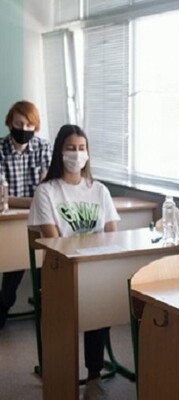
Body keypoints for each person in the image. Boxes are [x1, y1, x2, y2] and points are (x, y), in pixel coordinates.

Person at [28, 124, 119, 400]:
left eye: (82, 148)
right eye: (70, 148)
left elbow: (113, 235)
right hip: (61, 270)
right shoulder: (47, 191)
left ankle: (93, 376)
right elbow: (54, 241)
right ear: (60, 152)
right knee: (85, 302)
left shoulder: (99, 190)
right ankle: (62, 376)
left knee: (101, 301)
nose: (77, 154)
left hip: (95, 268)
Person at [0, 100, 52, 329]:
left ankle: (42, 302)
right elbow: (2, 196)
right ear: (10, 123)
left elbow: (47, 189)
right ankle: (4, 304)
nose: (24, 129)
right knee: (14, 260)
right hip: (7, 219)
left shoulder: (43, 147)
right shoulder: (0, 149)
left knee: (42, 259)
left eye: (30, 125)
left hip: (37, 217)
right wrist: (32, 201)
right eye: (19, 124)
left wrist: (20, 200)